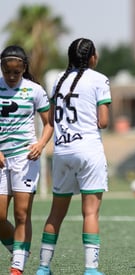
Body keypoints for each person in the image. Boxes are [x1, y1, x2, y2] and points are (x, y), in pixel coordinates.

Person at [36, 38, 111, 275]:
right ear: (91, 57)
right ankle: (91, 269)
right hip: (89, 151)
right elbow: (104, 122)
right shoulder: (99, 79)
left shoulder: (58, 79)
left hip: (62, 152)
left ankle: (43, 267)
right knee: (90, 213)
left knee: (55, 213)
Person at [0, 45, 53, 275]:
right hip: (1, 159)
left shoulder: (34, 90)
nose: (12, 77)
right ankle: (20, 250)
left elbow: (50, 123)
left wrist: (41, 144)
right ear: (2, 67)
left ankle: (17, 266)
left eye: (16, 72)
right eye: (7, 72)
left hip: (25, 158)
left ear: (23, 68)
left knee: (22, 214)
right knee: (0, 217)